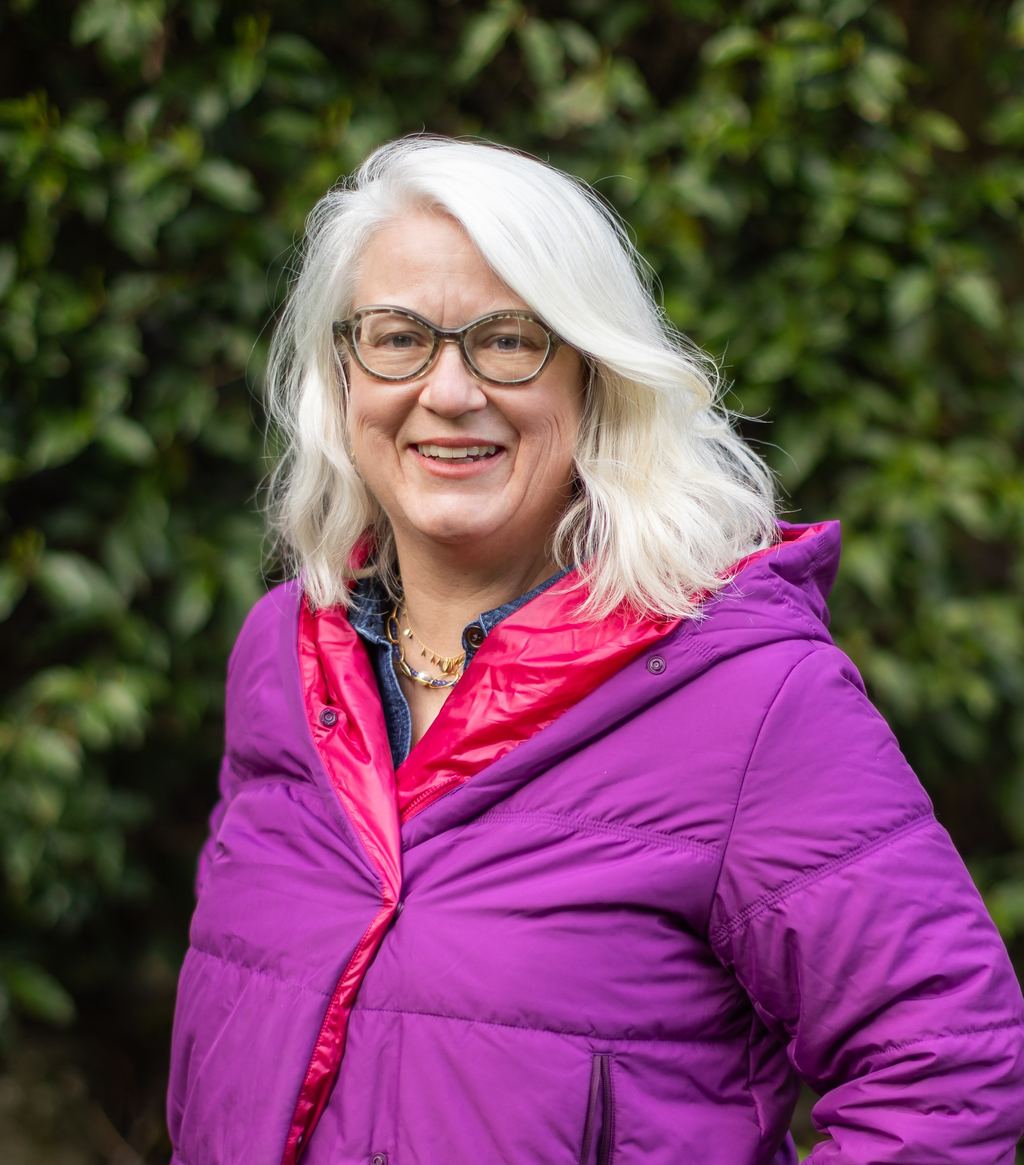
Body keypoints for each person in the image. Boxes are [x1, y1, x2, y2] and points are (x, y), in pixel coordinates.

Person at [167, 136, 1024, 1165]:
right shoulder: (283, 654)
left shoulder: (751, 696)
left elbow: (947, 1064)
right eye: (398, 338)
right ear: (341, 376)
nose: (448, 390)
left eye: (509, 339)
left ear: (592, 376)